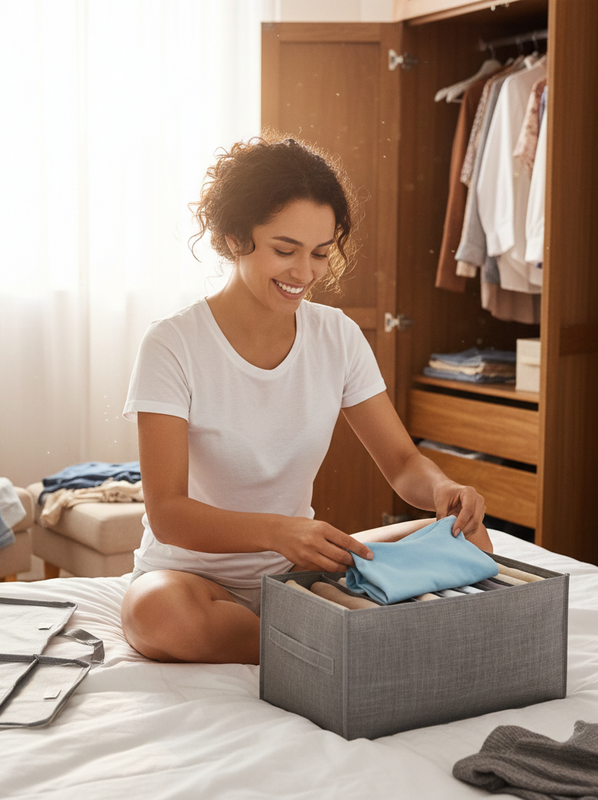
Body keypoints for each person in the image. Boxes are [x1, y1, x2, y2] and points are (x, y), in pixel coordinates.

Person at [121, 134, 491, 666]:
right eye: (284, 250)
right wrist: (279, 532)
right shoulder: (172, 344)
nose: (304, 273)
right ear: (233, 237)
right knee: (158, 616)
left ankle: (318, 632)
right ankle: (337, 633)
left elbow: (403, 462)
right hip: (192, 578)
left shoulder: (336, 335)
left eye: (320, 253)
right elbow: (168, 514)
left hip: (301, 572)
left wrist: (444, 488)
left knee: (472, 539)